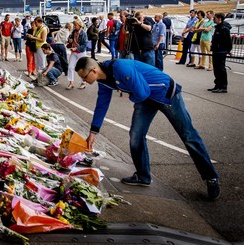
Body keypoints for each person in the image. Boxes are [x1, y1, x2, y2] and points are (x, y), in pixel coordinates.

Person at [75, 57, 220, 201]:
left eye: (84, 77)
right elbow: (102, 105)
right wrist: (94, 132)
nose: (84, 81)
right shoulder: (103, 81)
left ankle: (211, 177)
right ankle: (143, 176)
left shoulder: (120, 68)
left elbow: (141, 92)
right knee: (136, 135)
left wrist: (132, 97)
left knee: (188, 135)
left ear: (93, 71)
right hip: (145, 99)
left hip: (166, 94)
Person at [209, 12, 232, 93]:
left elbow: (228, 41)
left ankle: (223, 86)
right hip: (216, 50)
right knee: (216, 69)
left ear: (219, 19)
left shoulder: (224, 28)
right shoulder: (217, 27)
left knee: (221, 69)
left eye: (214, 18)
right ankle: (217, 85)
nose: (213, 19)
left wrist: (228, 50)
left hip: (221, 51)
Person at [65, 18, 88, 90]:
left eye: (75, 25)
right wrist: (69, 40)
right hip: (74, 52)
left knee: (81, 68)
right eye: (74, 25)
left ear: (79, 25)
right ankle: (71, 83)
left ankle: (83, 82)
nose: (74, 26)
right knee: (70, 67)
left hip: (81, 52)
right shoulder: (73, 32)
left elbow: (85, 45)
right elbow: (69, 38)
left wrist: (76, 48)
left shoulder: (83, 33)